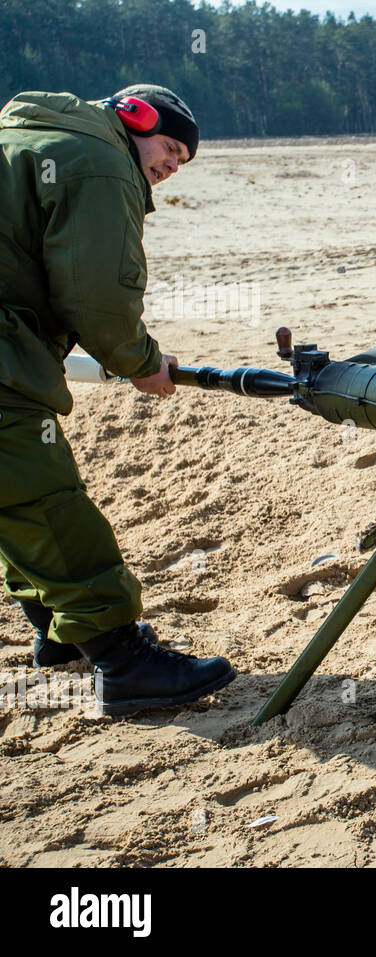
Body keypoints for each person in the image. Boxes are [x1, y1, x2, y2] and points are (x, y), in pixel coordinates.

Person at [0, 84, 235, 714]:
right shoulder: (99, 160)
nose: (170, 166)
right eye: (169, 148)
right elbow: (96, 291)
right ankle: (123, 661)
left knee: (13, 497)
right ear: (135, 117)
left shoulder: (27, 138)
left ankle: (57, 633)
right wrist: (140, 361)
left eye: (182, 161)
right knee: (44, 501)